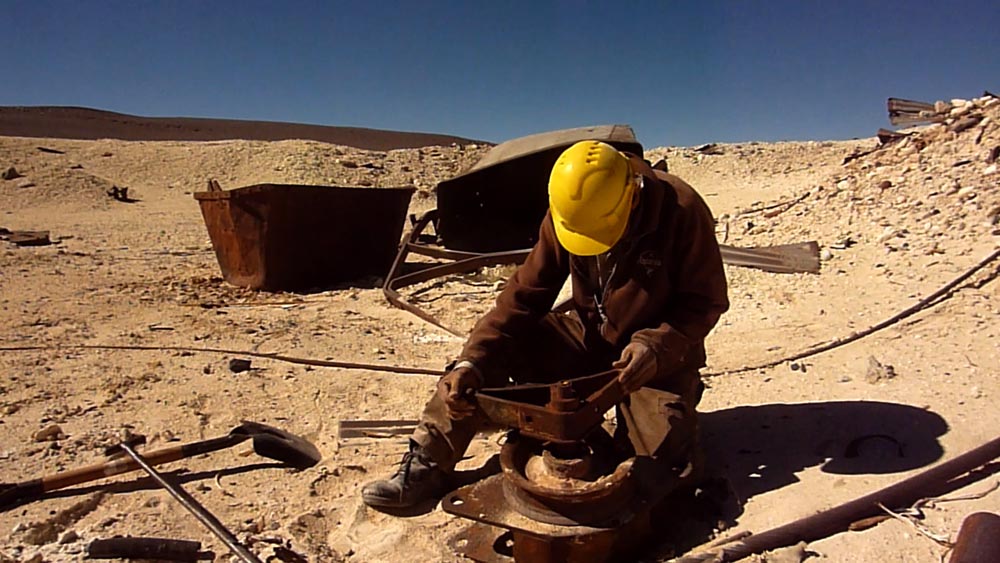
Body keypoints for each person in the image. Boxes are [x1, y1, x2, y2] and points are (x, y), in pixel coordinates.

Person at [362, 140, 729, 509]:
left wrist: (655, 346)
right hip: (590, 339)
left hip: (655, 360)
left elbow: (706, 301)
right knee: (489, 355)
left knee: (659, 475)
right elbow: (524, 296)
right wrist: (471, 361)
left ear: (632, 196)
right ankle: (429, 460)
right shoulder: (568, 210)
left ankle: (655, 428)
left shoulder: (682, 209)